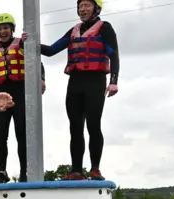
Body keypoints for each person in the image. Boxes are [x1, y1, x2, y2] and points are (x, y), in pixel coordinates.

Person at [37, 0, 119, 181]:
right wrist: (28, 43)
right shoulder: (74, 30)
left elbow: (114, 54)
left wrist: (113, 81)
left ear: (96, 8)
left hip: (95, 82)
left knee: (93, 125)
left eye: (87, 6)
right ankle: (76, 171)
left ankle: (95, 169)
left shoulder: (105, 28)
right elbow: (51, 50)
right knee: (75, 128)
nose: (83, 9)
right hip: (75, 82)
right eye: (80, 6)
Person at [0, 13, 46, 184]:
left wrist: (42, 79)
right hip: (0, 95)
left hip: (20, 93)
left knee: (22, 134)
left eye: (6, 28)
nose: (3, 31)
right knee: (1, 136)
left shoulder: (22, 43)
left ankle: (24, 173)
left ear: (12, 29)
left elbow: (38, 62)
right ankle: (2, 172)